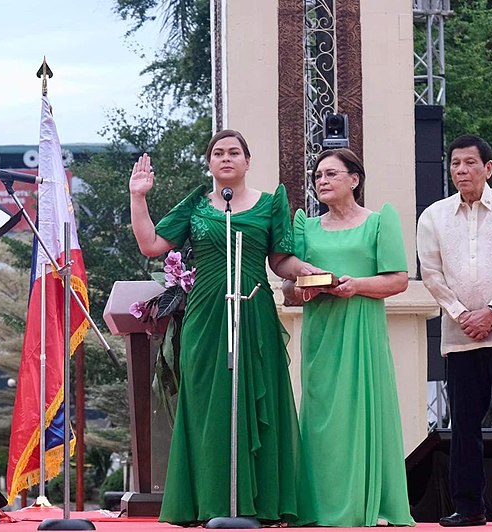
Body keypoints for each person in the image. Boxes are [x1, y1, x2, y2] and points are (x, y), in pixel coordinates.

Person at [129, 129, 321, 526]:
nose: (226, 158)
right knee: (204, 403)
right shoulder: (196, 206)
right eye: (218, 153)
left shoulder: (270, 205)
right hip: (206, 315)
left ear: (247, 162)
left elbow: (280, 260)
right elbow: (151, 244)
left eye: (234, 152)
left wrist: (306, 270)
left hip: (252, 313)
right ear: (210, 163)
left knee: (258, 398)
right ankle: (208, 504)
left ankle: (261, 505)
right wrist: (138, 196)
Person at [282, 148, 415, 527]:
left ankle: (370, 504)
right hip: (322, 332)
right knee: (323, 417)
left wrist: (356, 285)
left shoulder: (378, 222)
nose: (321, 181)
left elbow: (399, 279)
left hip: (362, 330)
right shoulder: (305, 226)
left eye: (331, 174)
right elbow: (289, 290)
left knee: (362, 410)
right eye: (318, 176)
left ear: (354, 179)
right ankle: (319, 507)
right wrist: (307, 289)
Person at [417, 134, 492, 527]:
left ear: (488, 168)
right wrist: (461, 314)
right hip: (460, 335)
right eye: (455, 164)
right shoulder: (433, 216)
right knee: (464, 425)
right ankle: (468, 506)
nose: (461, 170)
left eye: (470, 163)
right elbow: (431, 274)